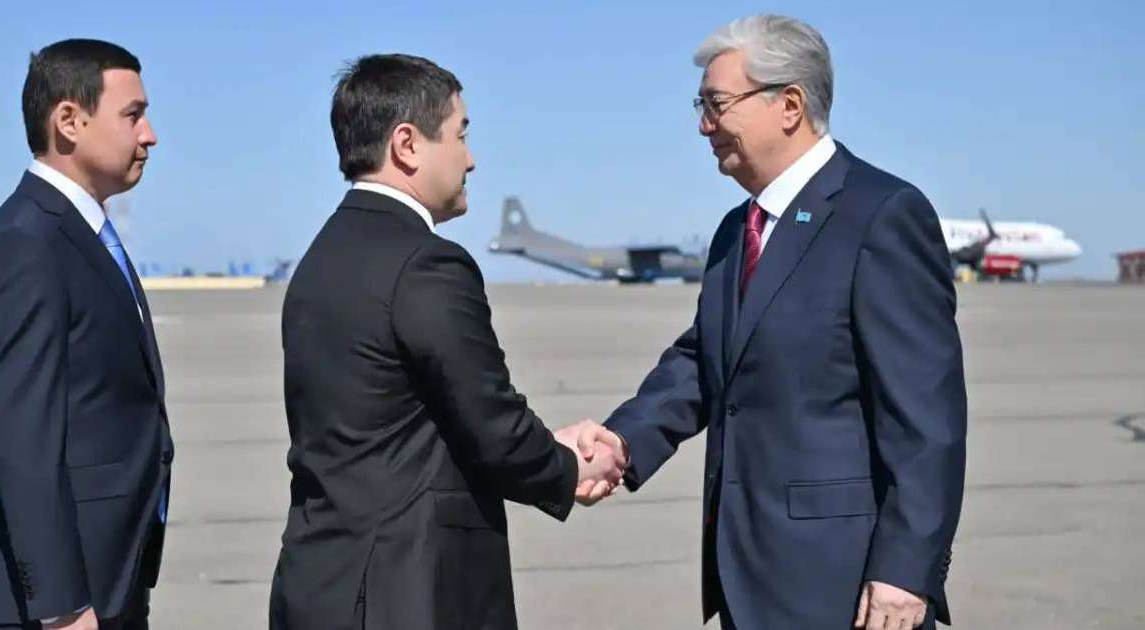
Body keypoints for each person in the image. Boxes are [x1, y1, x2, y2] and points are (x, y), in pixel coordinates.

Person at [565, 14, 967, 629]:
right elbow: (705, 359)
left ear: (790, 104)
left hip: (848, 585)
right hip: (746, 575)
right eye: (699, 105)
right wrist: (622, 441)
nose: (704, 125)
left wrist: (906, 571)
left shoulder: (881, 215)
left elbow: (927, 421)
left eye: (717, 103)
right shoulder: (737, 230)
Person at [268, 54, 623, 630]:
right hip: (408, 595)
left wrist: (544, 440)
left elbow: (404, 421)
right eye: (460, 135)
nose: (471, 158)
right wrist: (568, 467)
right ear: (407, 144)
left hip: (320, 585)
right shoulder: (426, 262)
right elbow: (490, 421)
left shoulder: (319, 260)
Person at [0, 39, 171, 630]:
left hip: (111, 580)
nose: (149, 134)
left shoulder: (82, 236)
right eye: (133, 115)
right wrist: (62, 607)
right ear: (69, 122)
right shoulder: (26, 244)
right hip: (61, 604)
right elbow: (24, 440)